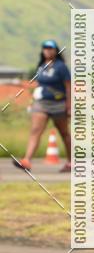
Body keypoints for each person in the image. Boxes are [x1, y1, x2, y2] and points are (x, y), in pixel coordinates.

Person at [14, 39, 72, 172]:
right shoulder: (41, 66)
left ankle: (71, 162)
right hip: (41, 104)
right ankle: (27, 160)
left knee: (64, 133)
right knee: (35, 130)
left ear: (56, 50)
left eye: (50, 48)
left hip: (58, 104)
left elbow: (68, 87)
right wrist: (33, 99)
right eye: (45, 48)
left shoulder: (61, 67)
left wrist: (69, 106)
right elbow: (39, 84)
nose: (47, 50)